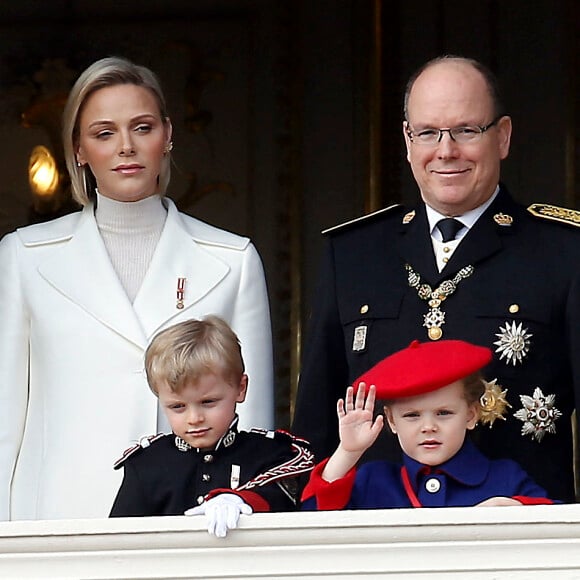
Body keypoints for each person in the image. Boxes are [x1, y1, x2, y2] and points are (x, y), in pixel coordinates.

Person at [292, 54, 580, 503]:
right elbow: (314, 427)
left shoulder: (564, 251)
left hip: (518, 543)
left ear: (502, 137)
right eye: (428, 132)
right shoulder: (351, 253)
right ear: (407, 141)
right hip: (374, 546)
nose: (446, 151)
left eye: (466, 130)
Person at [0, 56, 274, 521]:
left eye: (142, 128)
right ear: (79, 148)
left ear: (167, 136)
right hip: (59, 516)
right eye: (104, 133)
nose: (125, 146)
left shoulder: (233, 260)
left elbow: (255, 426)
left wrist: (244, 511)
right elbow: (7, 415)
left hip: (191, 521)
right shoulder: (27, 254)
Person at [110, 316, 313, 537]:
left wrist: (242, 499)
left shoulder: (272, 455)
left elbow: (291, 513)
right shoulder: (147, 465)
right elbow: (119, 542)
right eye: (177, 406)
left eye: (208, 402)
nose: (194, 418)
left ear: (240, 388)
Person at [302, 339, 555, 510]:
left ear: (470, 415)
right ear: (391, 420)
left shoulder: (505, 477)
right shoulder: (373, 480)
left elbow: (558, 528)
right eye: (412, 415)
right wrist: (348, 452)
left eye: (443, 413)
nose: (428, 427)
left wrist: (514, 508)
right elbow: (312, 523)